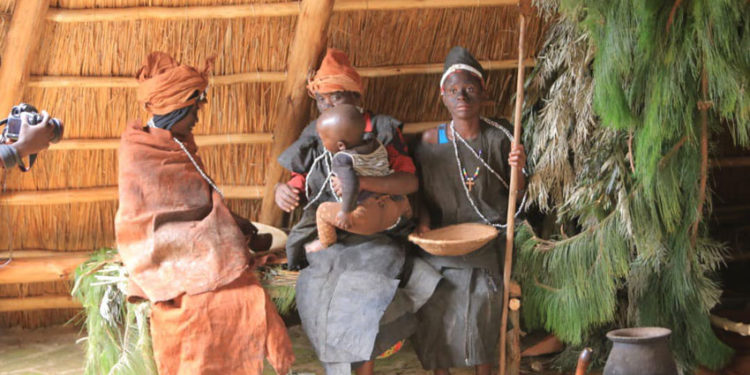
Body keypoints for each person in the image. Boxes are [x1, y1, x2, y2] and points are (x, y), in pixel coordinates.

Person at [115, 52, 293, 375]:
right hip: (155, 244)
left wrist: (233, 224)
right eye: (194, 106)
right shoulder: (139, 150)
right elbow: (149, 218)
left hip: (194, 235)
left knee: (232, 268)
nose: (198, 114)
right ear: (175, 107)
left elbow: (201, 202)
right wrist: (227, 228)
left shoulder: (180, 141)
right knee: (225, 285)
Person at [276, 48, 441, 375]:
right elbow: (300, 178)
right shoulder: (317, 132)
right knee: (319, 289)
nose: (328, 106)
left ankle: (362, 368)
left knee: (363, 290)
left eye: (335, 97)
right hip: (331, 236)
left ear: (355, 96)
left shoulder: (380, 130)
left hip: (376, 233)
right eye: (322, 100)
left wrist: (364, 182)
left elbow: (408, 182)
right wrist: (285, 191)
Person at [411, 46, 527, 375]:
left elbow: (519, 198)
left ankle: (483, 371)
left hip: (489, 241)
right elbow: (418, 190)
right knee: (432, 297)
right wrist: (424, 222)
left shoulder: (501, 136)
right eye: (453, 90)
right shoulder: (431, 141)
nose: (461, 96)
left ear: (483, 93)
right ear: (442, 96)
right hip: (443, 242)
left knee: (480, 300)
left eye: (470, 89)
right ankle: (440, 371)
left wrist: (518, 168)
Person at [306, 104, 412, 253]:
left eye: (323, 139)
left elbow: (351, 184)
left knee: (322, 210)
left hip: (366, 216)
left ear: (341, 145)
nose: (322, 142)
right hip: (392, 210)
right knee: (398, 190)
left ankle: (325, 242)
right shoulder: (375, 143)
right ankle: (409, 217)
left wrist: (346, 212)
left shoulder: (343, 159)